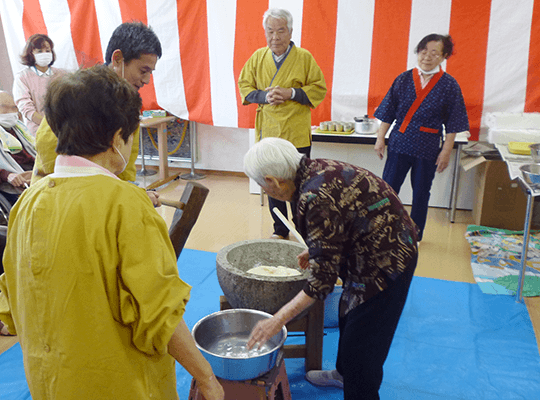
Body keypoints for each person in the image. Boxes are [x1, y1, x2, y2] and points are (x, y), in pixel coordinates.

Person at [0, 65, 224, 400]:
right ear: (117, 136)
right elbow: (160, 314)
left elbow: (12, 302)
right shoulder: (126, 206)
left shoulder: (26, 204)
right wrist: (206, 377)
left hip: (49, 382)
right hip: (117, 383)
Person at [244, 137, 419, 400]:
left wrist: (276, 320)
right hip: (369, 242)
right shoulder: (311, 169)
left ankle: (358, 385)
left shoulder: (314, 197)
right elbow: (338, 220)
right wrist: (317, 248)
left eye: (261, 184)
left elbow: (321, 284)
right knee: (348, 313)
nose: (263, 189)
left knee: (364, 346)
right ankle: (342, 375)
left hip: (388, 259)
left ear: (273, 181)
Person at [30, 22, 161, 206]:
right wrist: (110, 192)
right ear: (117, 59)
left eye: (150, 73)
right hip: (59, 197)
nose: (146, 80)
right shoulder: (79, 92)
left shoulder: (127, 101)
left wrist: (129, 193)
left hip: (99, 196)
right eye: (143, 71)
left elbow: (125, 166)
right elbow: (49, 150)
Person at [238, 8, 326, 240]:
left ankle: (304, 229)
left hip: (295, 132)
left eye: (280, 31)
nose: (274, 37)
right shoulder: (258, 57)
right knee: (272, 183)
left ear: (290, 32)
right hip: (268, 132)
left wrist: (291, 93)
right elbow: (245, 87)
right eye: (270, 31)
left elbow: (319, 89)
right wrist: (265, 97)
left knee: (300, 183)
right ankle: (280, 230)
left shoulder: (304, 57)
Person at [374, 34, 469, 241]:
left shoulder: (449, 85)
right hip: (399, 142)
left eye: (434, 52)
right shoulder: (403, 78)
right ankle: (384, 227)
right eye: (423, 51)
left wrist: (446, 151)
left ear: (444, 56)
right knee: (388, 188)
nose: (427, 56)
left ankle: (414, 234)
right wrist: (380, 137)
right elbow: (388, 111)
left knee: (421, 193)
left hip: (427, 146)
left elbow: (453, 123)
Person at [13, 34, 67, 136]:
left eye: (48, 51)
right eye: (39, 51)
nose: (45, 54)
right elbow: (26, 108)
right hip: (39, 132)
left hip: (65, 130)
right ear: (31, 53)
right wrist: (48, 126)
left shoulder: (62, 74)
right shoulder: (22, 77)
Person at [0, 91, 35, 204]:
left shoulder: (20, 130)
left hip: (33, 176)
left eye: (14, 108)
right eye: (4, 108)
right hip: (10, 185)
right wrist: (7, 175)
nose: (10, 112)